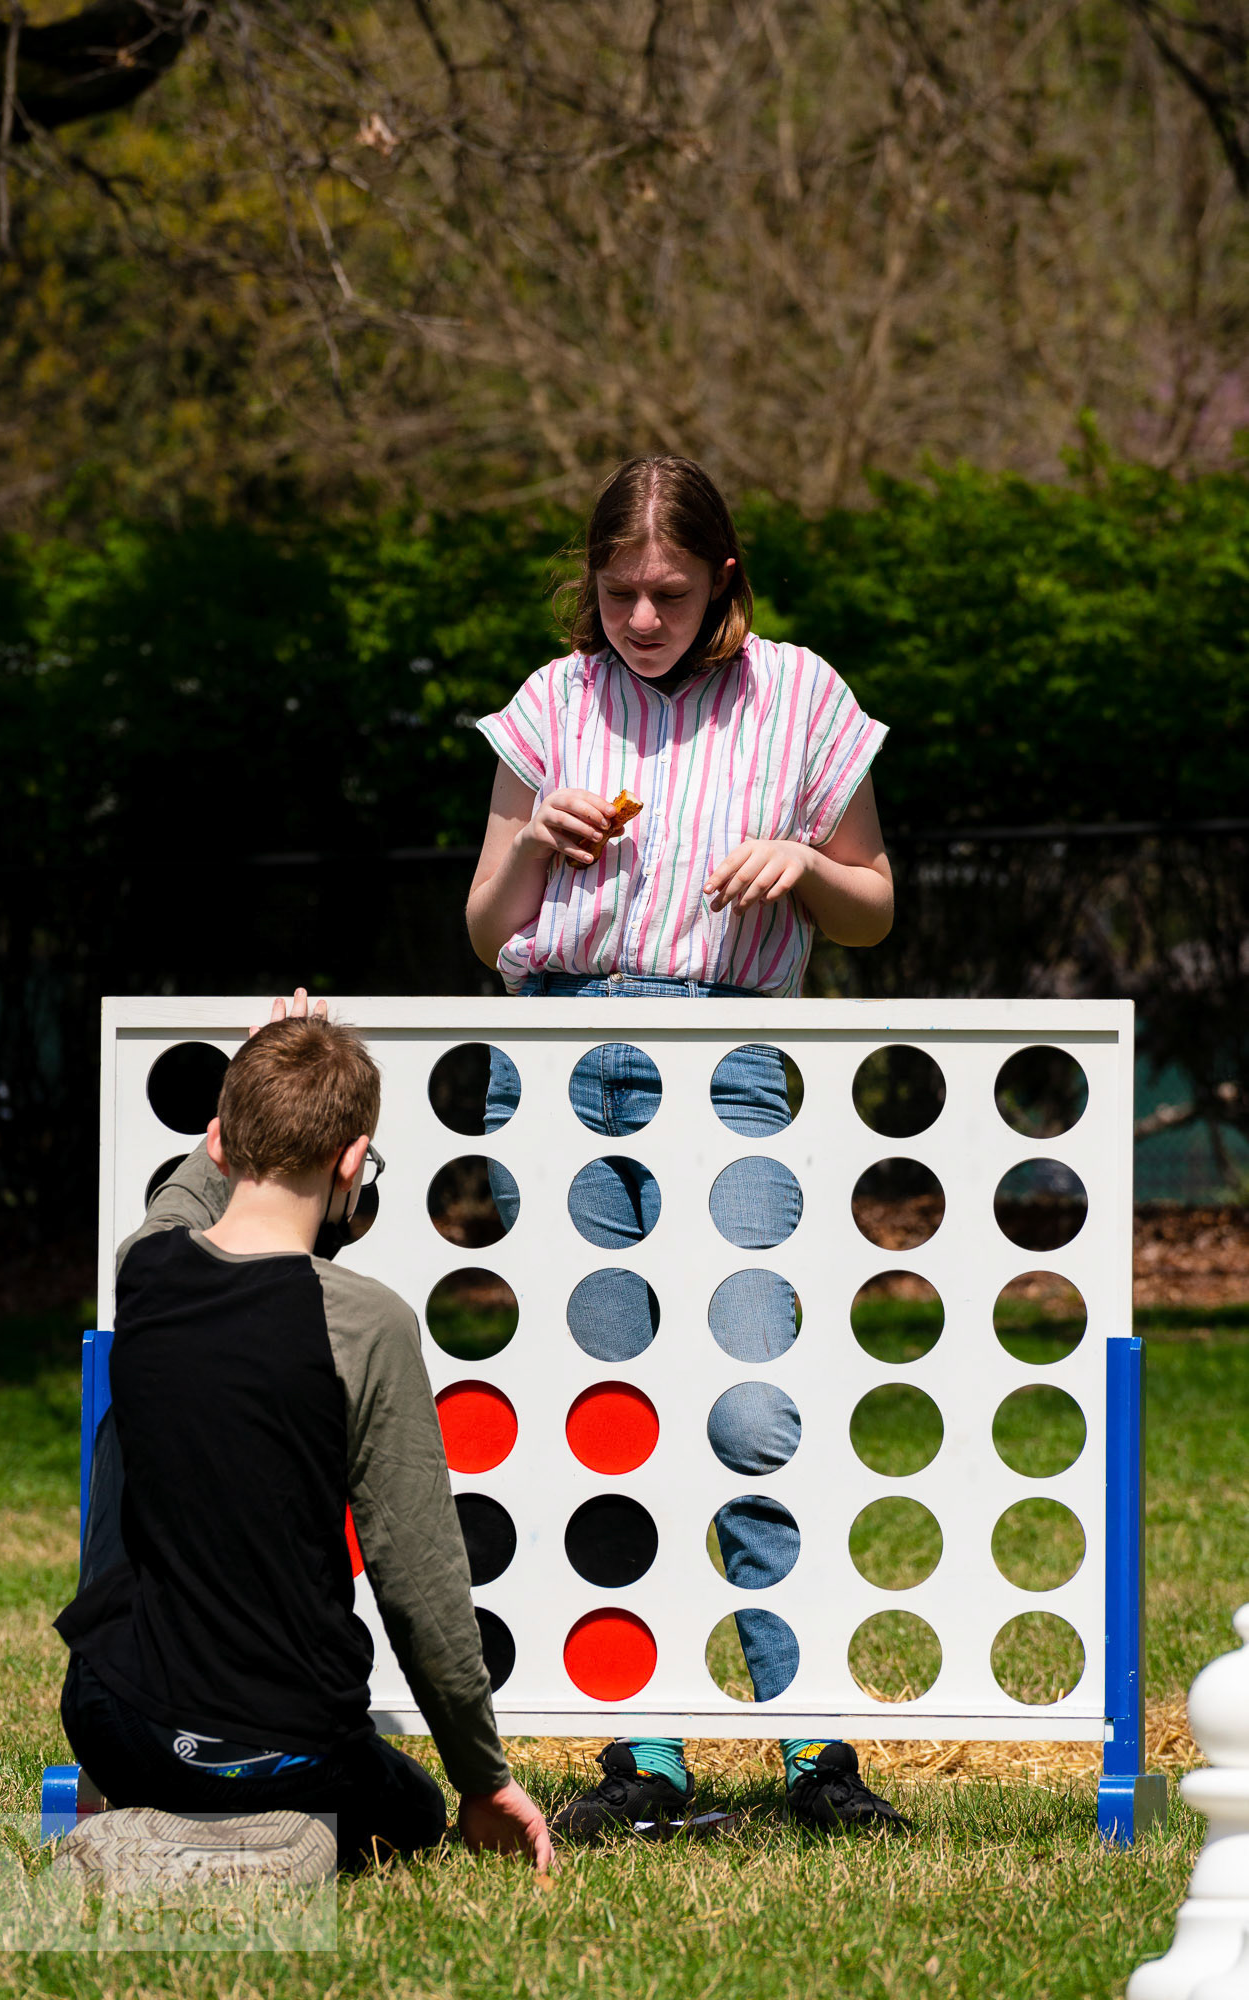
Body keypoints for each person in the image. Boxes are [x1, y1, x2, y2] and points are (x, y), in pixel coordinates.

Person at [466, 455, 907, 1838]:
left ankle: (810, 1756)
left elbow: (875, 910)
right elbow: (484, 932)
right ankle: (640, 1759)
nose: (638, 619)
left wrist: (806, 868)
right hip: (555, 1063)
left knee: (750, 1407)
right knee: (605, 1411)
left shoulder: (805, 696)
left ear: (723, 575)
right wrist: (534, 841)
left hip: (729, 1070)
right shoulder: (550, 704)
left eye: (664, 592)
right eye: (615, 594)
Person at [55, 991, 553, 1875]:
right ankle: (240, 1853)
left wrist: (254, 1077)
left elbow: (185, 1192)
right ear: (353, 1159)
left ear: (218, 1139)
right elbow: (420, 1582)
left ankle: (136, 1815)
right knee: (410, 1808)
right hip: (273, 1751)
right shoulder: (367, 1322)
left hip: (112, 1716)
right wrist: (482, 1780)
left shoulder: (146, 1269)